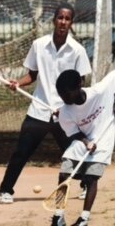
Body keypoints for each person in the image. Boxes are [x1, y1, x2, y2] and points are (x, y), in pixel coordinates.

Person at [0, 3, 92, 204]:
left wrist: (68, 105)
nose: (63, 22)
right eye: (60, 18)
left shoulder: (77, 50)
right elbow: (32, 74)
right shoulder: (39, 45)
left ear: (71, 23)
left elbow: (80, 83)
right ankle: (5, 191)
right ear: (54, 20)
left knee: (75, 150)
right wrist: (18, 83)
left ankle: (85, 184)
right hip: (39, 110)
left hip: (64, 112)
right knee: (21, 152)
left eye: (67, 19)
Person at [51, 69, 115, 226]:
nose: (63, 98)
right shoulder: (65, 112)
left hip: (103, 139)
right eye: (61, 95)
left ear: (79, 85)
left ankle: (84, 218)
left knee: (91, 178)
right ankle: (58, 216)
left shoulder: (99, 91)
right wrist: (86, 142)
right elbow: (74, 134)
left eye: (67, 94)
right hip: (82, 141)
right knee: (63, 175)